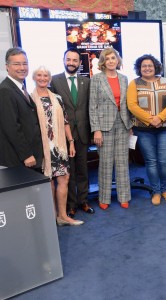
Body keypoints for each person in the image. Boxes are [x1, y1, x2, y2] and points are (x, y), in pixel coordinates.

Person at [31, 66, 83, 226]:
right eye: (39, 75)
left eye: (45, 75)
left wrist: (71, 142)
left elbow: (66, 121)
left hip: (59, 146)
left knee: (64, 178)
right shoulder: (29, 98)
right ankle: (52, 218)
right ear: (34, 77)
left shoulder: (57, 98)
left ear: (49, 78)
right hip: (42, 147)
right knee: (48, 182)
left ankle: (63, 216)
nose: (42, 78)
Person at [127, 54, 166, 206]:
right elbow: (132, 105)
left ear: (155, 66)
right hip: (143, 130)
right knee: (151, 162)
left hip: (164, 128)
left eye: (150, 65)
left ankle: (165, 190)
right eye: (144, 66)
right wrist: (150, 119)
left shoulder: (165, 81)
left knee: (164, 162)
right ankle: (155, 192)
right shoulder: (134, 83)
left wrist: (160, 118)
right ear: (139, 68)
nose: (147, 68)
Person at [50, 48, 94, 218]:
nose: (71, 63)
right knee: (69, 172)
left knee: (83, 170)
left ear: (80, 63)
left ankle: (83, 201)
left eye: (75, 60)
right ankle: (71, 204)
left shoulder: (86, 82)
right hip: (64, 135)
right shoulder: (54, 81)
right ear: (63, 60)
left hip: (83, 133)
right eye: (68, 59)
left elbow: (89, 107)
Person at [89, 48, 132, 210]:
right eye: (107, 59)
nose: (111, 61)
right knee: (106, 163)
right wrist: (96, 130)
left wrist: (130, 126)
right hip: (104, 127)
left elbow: (126, 104)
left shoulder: (124, 79)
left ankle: (124, 196)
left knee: (122, 163)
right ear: (103, 62)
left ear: (118, 60)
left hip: (122, 125)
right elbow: (92, 107)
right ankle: (104, 198)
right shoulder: (96, 79)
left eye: (114, 58)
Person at [0, 47, 43, 169]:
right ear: (7, 67)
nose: (22, 68)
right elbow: (11, 127)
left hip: (30, 156)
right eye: (17, 64)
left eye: (25, 63)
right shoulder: (5, 90)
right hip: (20, 159)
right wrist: (26, 155)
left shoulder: (20, 88)